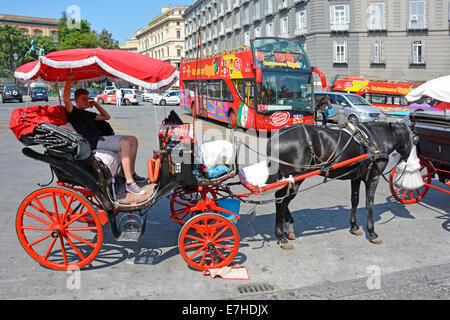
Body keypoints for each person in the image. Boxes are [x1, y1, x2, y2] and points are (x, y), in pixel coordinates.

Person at [63, 73, 147, 195]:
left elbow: (106, 117)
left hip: (102, 138)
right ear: (76, 100)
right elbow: (66, 99)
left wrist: (96, 104)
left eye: (87, 98)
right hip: (93, 142)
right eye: (83, 99)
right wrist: (69, 79)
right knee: (124, 143)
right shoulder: (73, 112)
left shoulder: (89, 114)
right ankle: (129, 183)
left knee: (133, 139)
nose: (87, 101)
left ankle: (131, 173)